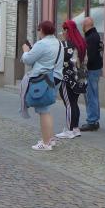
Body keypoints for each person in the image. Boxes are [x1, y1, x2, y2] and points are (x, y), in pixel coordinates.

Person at [21, 20, 62, 151]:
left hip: (43, 79)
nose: (38, 32)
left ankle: (45, 143)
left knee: (43, 110)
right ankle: (50, 139)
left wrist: (25, 51)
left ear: (42, 30)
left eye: (38, 30)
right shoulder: (58, 43)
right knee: (46, 109)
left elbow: (28, 60)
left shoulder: (42, 44)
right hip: (56, 77)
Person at [55, 20, 87, 140]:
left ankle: (69, 130)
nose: (62, 32)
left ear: (67, 30)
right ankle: (75, 128)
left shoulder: (65, 45)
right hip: (79, 78)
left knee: (68, 104)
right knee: (74, 103)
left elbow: (59, 60)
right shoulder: (81, 43)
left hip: (67, 78)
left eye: (64, 30)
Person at [81, 16, 103, 131]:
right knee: (93, 94)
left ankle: (92, 121)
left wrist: (84, 68)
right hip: (96, 68)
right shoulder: (95, 35)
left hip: (92, 70)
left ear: (86, 25)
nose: (82, 27)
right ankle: (94, 120)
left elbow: (90, 56)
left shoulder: (91, 38)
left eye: (83, 25)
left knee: (91, 95)